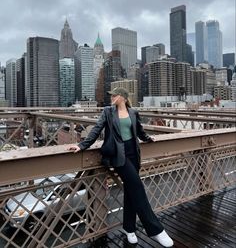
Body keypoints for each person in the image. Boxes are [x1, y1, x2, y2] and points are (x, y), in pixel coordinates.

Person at [68, 87, 174, 247]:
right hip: (119, 155)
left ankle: (129, 228)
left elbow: (139, 130)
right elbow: (96, 130)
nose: (111, 97)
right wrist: (82, 145)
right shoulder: (108, 112)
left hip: (134, 154)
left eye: (115, 95)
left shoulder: (133, 112)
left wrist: (147, 138)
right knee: (137, 188)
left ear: (123, 97)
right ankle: (156, 230)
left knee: (131, 192)